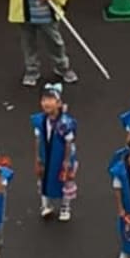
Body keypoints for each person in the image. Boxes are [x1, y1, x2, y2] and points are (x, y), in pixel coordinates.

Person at [32, 82, 77, 222]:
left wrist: (66, 161)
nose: (46, 103)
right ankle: (45, 204)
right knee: (43, 177)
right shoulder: (39, 120)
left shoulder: (65, 122)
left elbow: (69, 143)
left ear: (58, 103)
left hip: (61, 157)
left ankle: (65, 206)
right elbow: (38, 140)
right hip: (46, 155)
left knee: (65, 180)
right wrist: (37, 158)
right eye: (44, 100)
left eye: (50, 100)